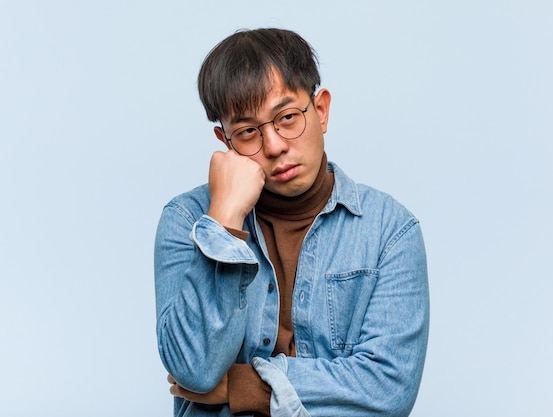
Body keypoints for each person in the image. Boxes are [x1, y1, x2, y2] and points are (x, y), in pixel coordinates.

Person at [154, 28, 429, 417]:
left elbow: (389, 389)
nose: (275, 146)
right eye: (248, 132)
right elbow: (194, 371)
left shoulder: (390, 231)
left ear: (321, 111)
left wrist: (242, 387)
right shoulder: (187, 219)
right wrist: (225, 221)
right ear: (225, 141)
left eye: (286, 118)